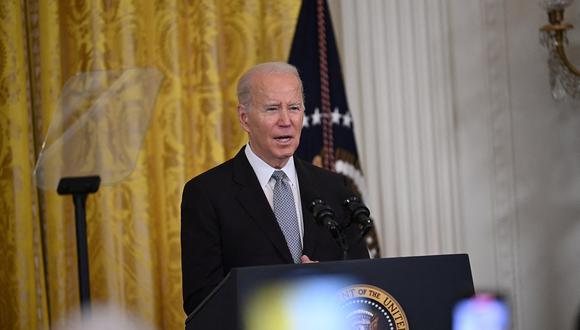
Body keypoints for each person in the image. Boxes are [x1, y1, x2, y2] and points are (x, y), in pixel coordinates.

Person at [180, 62, 369, 316]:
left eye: (294, 108)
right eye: (272, 109)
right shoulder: (207, 194)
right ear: (244, 118)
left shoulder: (335, 188)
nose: (286, 121)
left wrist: (323, 283)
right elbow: (201, 302)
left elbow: (364, 281)